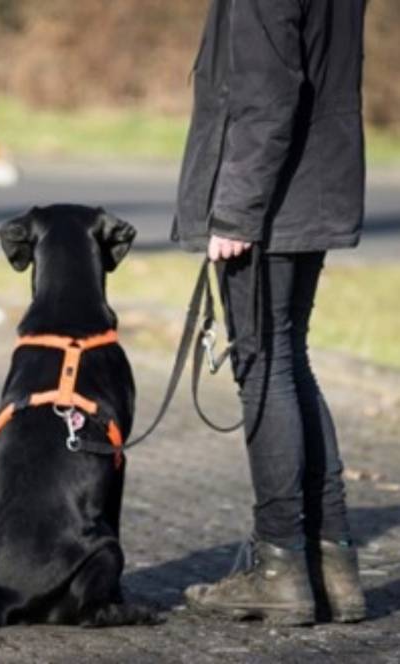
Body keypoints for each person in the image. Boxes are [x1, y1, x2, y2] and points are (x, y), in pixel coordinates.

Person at [172, 0, 368, 625]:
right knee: (289, 361)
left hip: (271, 202)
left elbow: (266, 88)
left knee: (265, 367)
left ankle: (281, 568)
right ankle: (332, 567)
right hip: (311, 187)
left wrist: (234, 211)